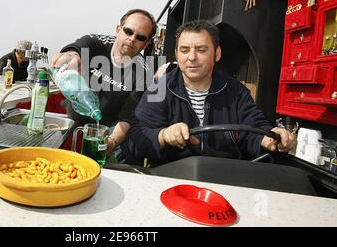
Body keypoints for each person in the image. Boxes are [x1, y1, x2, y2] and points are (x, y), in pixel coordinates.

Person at [122, 20, 296, 166]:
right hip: (173, 179)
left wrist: (268, 139)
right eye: (184, 50)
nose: (192, 57)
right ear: (176, 54)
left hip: (226, 179)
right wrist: (163, 136)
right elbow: (136, 139)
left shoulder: (236, 92)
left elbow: (254, 128)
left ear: (217, 53)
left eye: (201, 50)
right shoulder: (159, 89)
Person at [50, 9, 157, 160]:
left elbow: (127, 118)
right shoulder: (96, 42)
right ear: (118, 30)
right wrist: (70, 59)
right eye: (128, 31)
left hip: (102, 131)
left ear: (146, 44)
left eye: (140, 37)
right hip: (68, 120)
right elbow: (74, 51)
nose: (132, 39)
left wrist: (111, 142)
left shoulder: (144, 74)